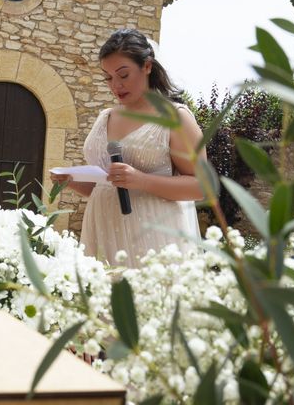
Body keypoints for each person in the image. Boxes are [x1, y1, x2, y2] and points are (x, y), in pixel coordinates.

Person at [52, 29, 205, 268]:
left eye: (123, 74)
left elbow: (199, 187)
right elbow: (105, 186)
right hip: (101, 233)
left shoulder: (175, 118)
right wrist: (70, 180)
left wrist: (141, 180)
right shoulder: (105, 117)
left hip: (152, 239)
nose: (116, 85)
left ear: (147, 66)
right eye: (109, 77)